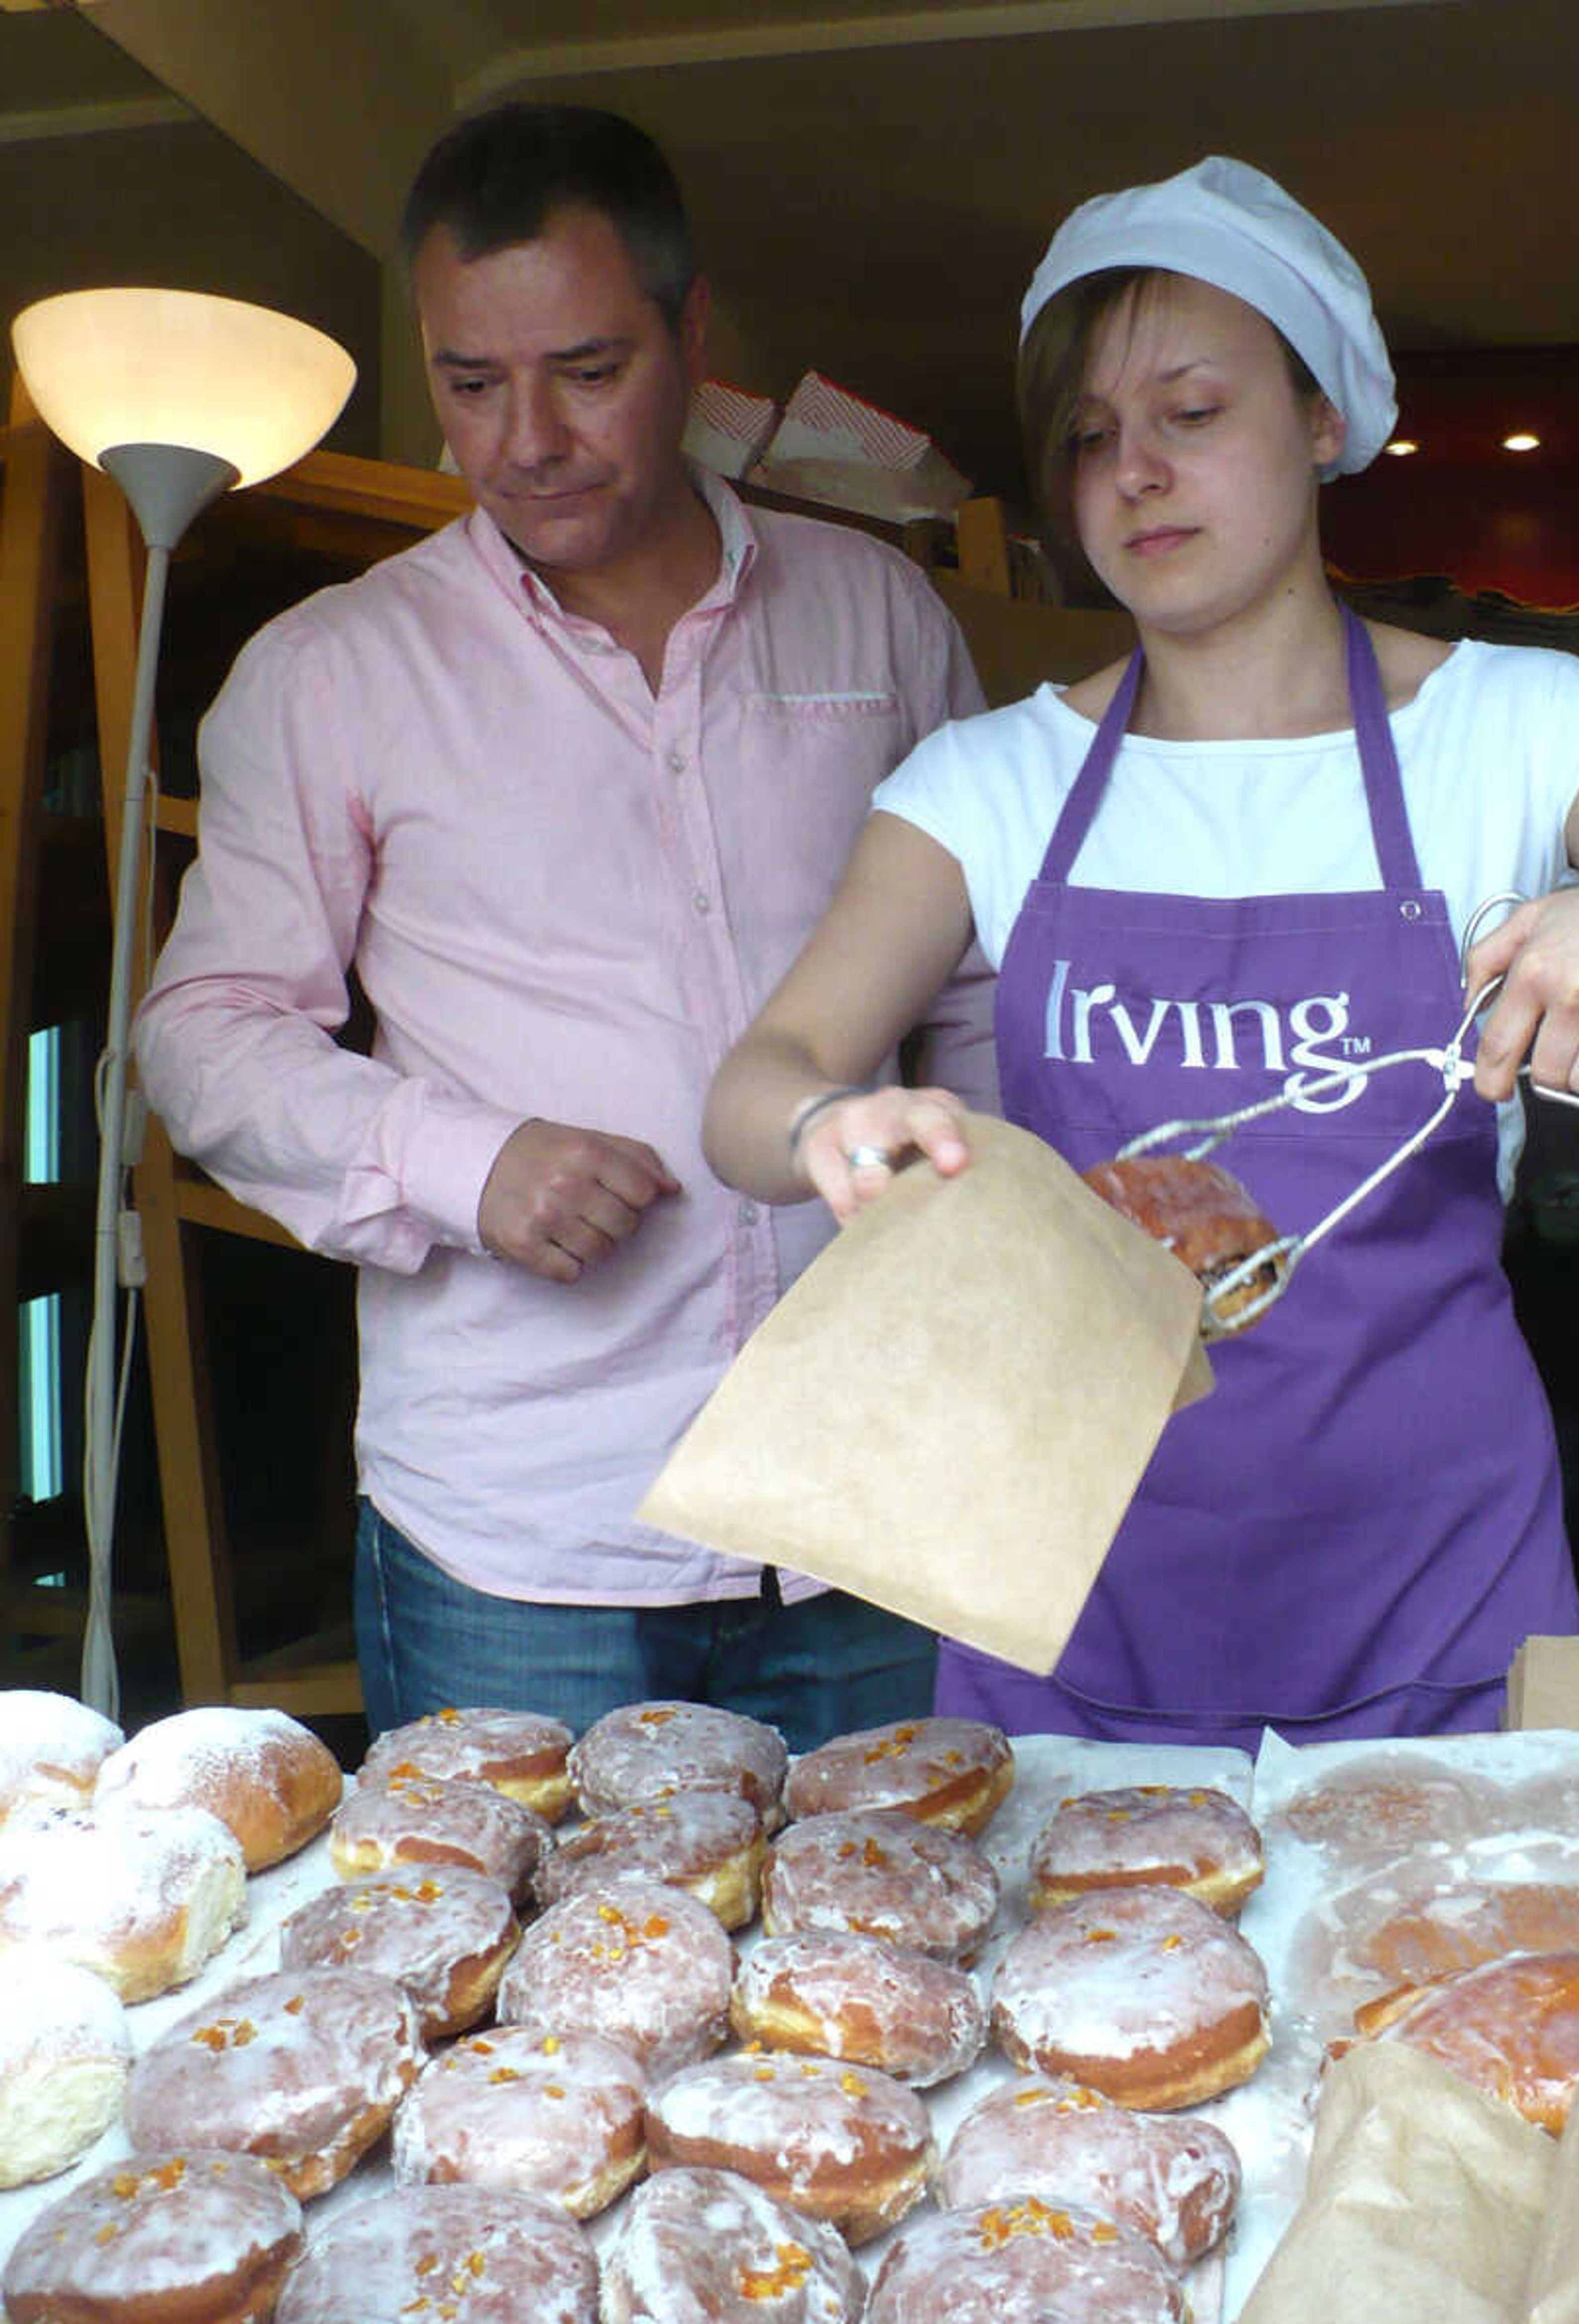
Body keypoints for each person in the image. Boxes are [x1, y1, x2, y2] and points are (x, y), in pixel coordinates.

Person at [702, 156, 1579, 1748]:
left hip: (1441, 1595)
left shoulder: (1535, 730)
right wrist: (822, 1125)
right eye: (1088, 439)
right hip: (1073, 1601)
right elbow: (750, 1092)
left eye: (1191, 414)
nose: (1135, 473)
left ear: (1324, 418)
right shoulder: (989, 788)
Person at [131, 102, 995, 1748]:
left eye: (588, 370)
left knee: (895, 1982)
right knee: (516, 1998)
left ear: (692, 336)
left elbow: (977, 997)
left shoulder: (879, 615)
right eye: (470, 383)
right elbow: (204, 1031)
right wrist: (467, 1159)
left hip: (872, 1502)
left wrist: (1000, 1259)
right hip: (522, 1540)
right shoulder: (334, 675)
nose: (525, 437)